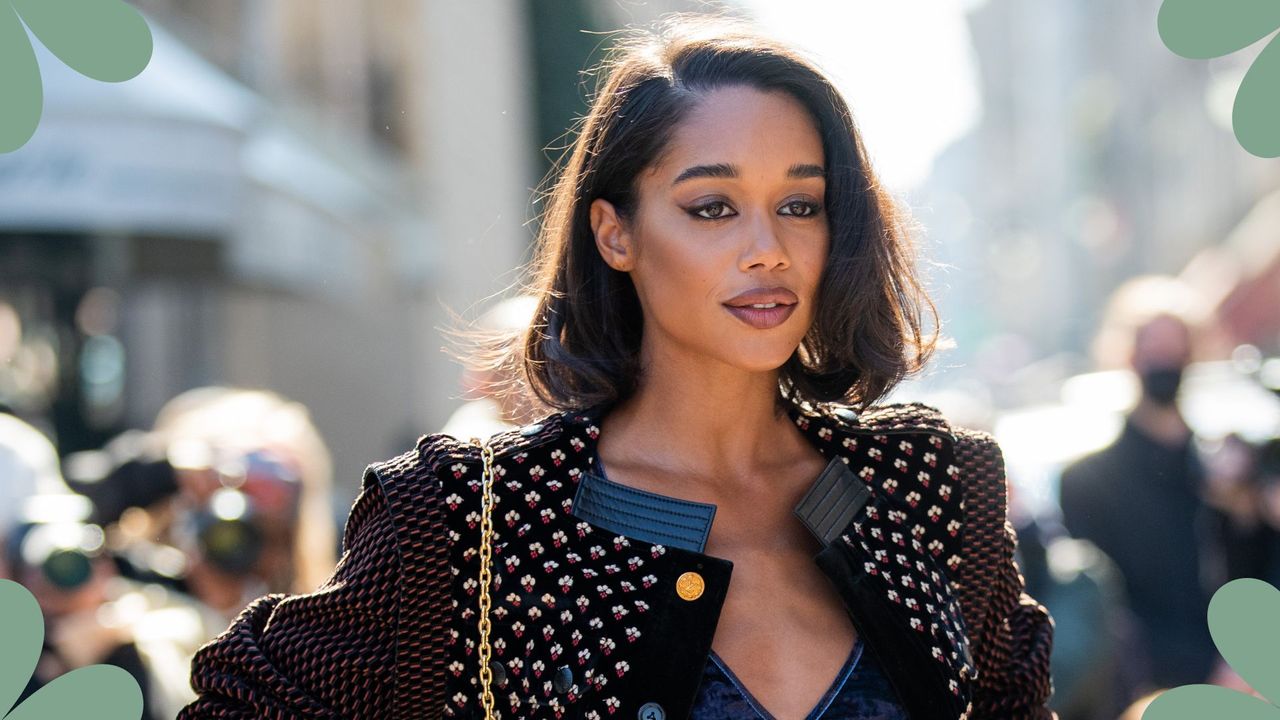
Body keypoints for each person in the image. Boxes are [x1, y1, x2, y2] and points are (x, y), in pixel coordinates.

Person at [181, 15, 1054, 720]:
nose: (769, 249)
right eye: (712, 207)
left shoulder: (928, 485)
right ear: (616, 233)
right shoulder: (474, 521)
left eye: (801, 204)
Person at [1058, 276, 1217, 691]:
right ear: (1129, 356)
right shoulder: (1087, 482)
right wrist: (1206, 671)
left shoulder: (1223, 469)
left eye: (1175, 350)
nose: (1166, 362)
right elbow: (1107, 608)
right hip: (1151, 692)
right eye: (1154, 350)